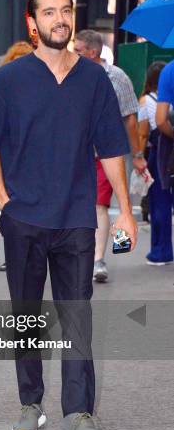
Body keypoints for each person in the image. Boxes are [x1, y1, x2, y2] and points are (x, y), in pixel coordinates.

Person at [0, 0, 134, 430]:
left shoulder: (93, 79)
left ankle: (79, 414)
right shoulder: (11, 78)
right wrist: (5, 202)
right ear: (33, 22)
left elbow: (111, 150)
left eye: (66, 10)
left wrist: (124, 210)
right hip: (24, 219)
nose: (60, 19)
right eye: (49, 12)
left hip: (77, 217)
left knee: (75, 313)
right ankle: (30, 402)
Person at [74, 29, 146, 283]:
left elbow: (130, 119)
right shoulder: (69, 75)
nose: (73, 54)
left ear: (92, 52)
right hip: (73, 152)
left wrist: (137, 154)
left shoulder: (117, 78)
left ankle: (97, 259)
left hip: (103, 153)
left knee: (100, 205)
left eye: (78, 50)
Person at [0, 41, 34, 273]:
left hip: (35, 159)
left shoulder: (42, 87)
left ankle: (30, 253)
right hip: (9, 159)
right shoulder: (3, 89)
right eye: (15, 60)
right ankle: (13, 253)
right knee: (9, 211)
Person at [150, 59, 174, 264]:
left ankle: (161, 251)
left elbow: (160, 120)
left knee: (163, 200)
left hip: (167, 151)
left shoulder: (170, 71)